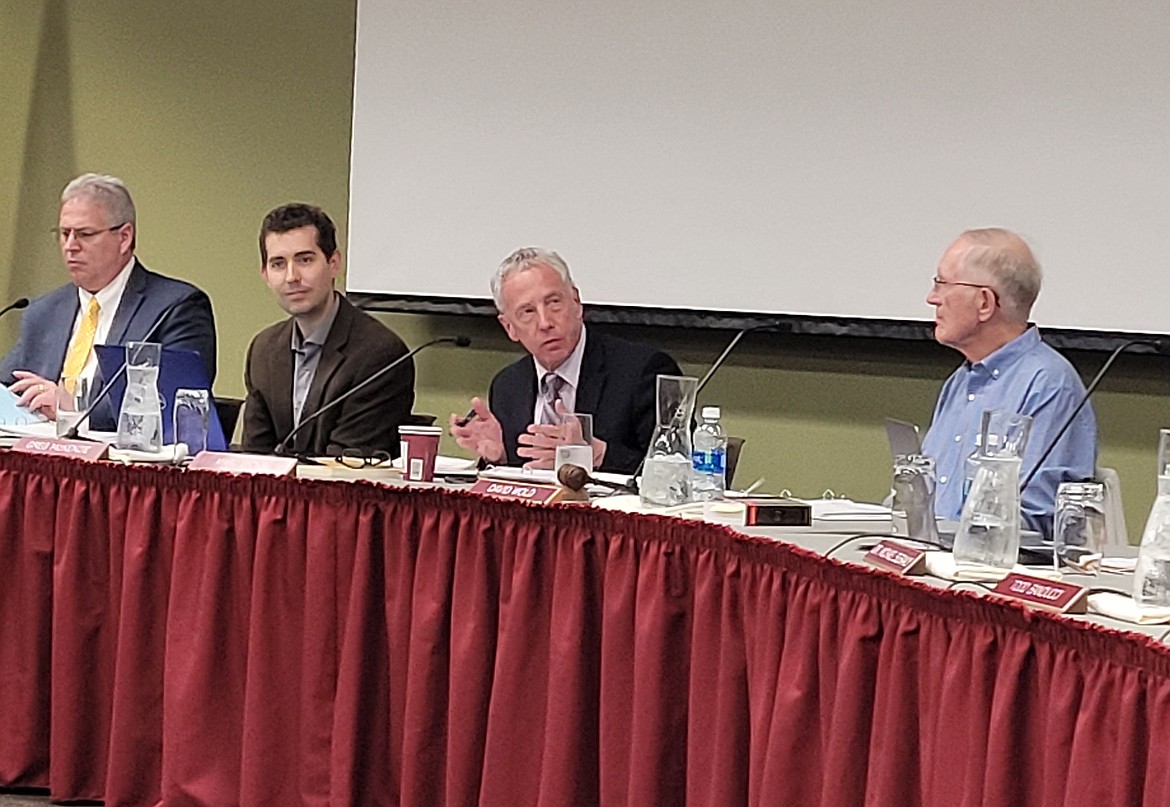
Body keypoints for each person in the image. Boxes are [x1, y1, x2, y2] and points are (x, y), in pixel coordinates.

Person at [0, 173, 216, 429]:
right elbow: (5, 390)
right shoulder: (43, 312)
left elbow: (178, 405)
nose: (70, 245)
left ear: (124, 237)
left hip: (121, 465)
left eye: (84, 234)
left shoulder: (175, 307)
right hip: (39, 462)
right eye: (64, 233)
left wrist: (72, 409)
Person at [922, 228, 1096, 535]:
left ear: (985, 303)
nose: (932, 298)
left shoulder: (1049, 385)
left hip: (991, 571)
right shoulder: (959, 381)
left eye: (942, 284)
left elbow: (1037, 518)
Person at [450, 247, 680, 473]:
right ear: (509, 327)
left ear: (576, 302)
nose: (545, 322)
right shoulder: (508, 385)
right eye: (527, 312)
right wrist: (502, 456)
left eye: (553, 302)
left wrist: (598, 455)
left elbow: (676, 470)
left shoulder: (644, 372)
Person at [242, 203, 414, 456]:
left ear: (334, 263)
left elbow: (349, 463)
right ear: (265, 274)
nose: (291, 276)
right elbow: (254, 456)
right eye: (278, 264)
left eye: (305, 260)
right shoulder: (263, 349)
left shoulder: (380, 354)